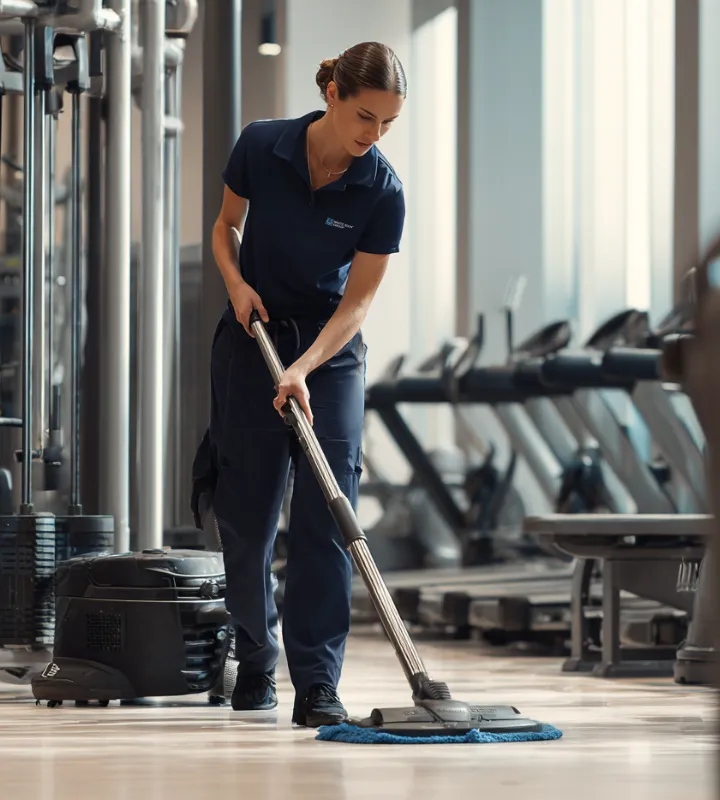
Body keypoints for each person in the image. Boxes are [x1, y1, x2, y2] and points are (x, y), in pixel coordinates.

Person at [207, 41, 407, 727]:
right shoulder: (263, 147)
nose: (372, 136)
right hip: (252, 336)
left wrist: (305, 367)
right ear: (332, 95)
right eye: (364, 116)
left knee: (327, 509)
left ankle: (317, 683)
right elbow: (226, 227)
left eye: (387, 124)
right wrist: (235, 283)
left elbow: (357, 303)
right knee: (248, 513)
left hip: (330, 351)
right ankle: (256, 657)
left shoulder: (382, 189)